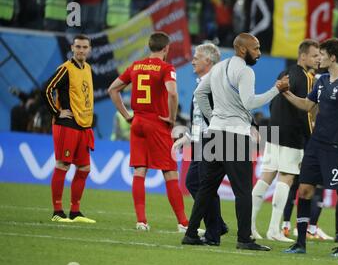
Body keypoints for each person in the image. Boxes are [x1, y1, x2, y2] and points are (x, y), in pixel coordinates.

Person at [181, 32, 289, 250]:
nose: (258, 53)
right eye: (256, 48)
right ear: (242, 49)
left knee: (206, 188)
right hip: (235, 136)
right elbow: (249, 103)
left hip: (214, 133)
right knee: (242, 191)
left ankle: (191, 234)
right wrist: (275, 90)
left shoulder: (218, 68)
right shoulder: (246, 71)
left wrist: (213, 117)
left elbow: (200, 93)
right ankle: (244, 239)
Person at [282, 38, 338, 258]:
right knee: (304, 190)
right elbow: (308, 106)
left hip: (336, 147)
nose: (319, 58)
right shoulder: (321, 81)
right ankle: (300, 243)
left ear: (333, 57)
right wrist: (286, 93)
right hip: (315, 145)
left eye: (322, 54)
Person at [108, 31, 189, 231]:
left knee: (139, 171)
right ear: (166, 48)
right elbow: (172, 92)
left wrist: (127, 115)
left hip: (138, 122)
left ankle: (141, 221)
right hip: (157, 123)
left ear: (149, 47)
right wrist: (171, 117)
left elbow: (112, 89)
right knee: (170, 172)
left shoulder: (136, 66)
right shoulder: (166, 67)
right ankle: (183, 223)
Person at [250, 39, 320, 243]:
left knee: (266, 177)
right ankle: (274, 229)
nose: (318, 59)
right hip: (292, 134)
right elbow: (306, 111)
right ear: (303, 56)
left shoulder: (285, 73)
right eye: (315, 55)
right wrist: (311, 137)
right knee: (287, 178)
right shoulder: (307, 78)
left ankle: (250, 225)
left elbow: (274, 100)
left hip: (274, 130)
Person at [172, 43, 228, 245]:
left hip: (213, 140)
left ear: (208, 61)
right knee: (195, 183)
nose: (193, 60)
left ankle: (214, 234)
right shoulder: (202, 82)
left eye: (197, 56)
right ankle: (218, 225)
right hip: (201, 140)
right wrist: (187, 137)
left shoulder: (216, 84)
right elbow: (198, 117)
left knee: (204, 185)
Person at [42, 34, 96, 224]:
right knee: (63, 165)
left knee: (84, 168)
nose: (81, 50)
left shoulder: (88, 68)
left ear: (89, 49)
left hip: (83, 126)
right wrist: (56, 113)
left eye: (84, 47)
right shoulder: (65, 69)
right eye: (78, 47)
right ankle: (57, 211)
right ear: (72, 48)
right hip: (66, 126)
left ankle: (75, 211)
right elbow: (46, 88)